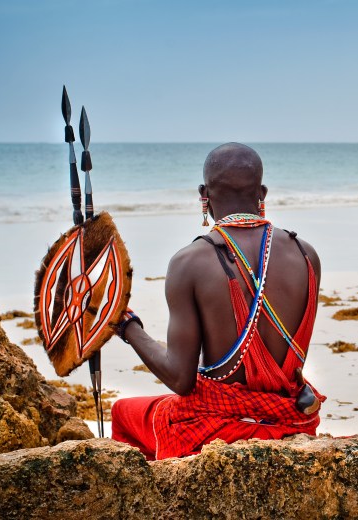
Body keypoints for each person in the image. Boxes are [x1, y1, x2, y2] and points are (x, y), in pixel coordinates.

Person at [111, 143, 324, 460]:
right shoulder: (307, 255)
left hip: (217, 430)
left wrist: (128, 327)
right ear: (262, 193)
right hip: (291, 420)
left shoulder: (189, 262)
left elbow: (180, 380)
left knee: (123, 411)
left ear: (203, 194)